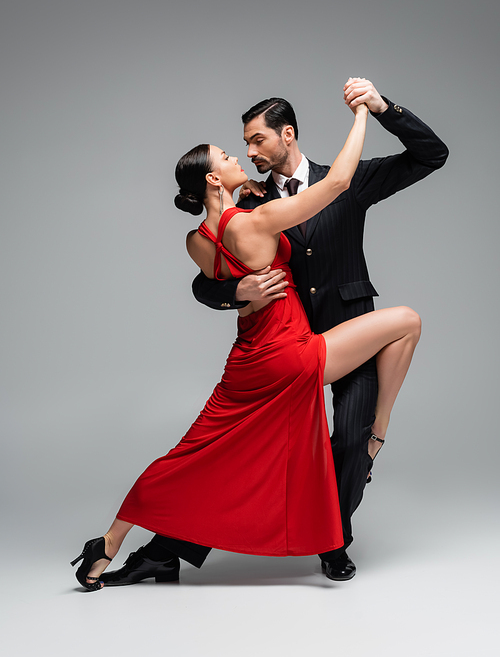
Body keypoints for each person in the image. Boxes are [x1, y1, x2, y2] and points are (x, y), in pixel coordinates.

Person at [71, 91, 421, 591]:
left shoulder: (197, 238)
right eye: (230, 156)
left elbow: (208, 272)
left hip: (247, 359)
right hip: (289, 349)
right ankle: (378, 432)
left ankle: (110, 544)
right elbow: (339, 181)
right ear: (215, 178)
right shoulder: (253, 218)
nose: (242, 157)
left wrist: (237, 284)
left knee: (196, 455)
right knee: (408, 319)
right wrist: (365, 111)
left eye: (247, 145)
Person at [190, 78, 449, 581]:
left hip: (352, 331)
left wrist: (381, 107)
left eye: (256, 140)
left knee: (352, 439)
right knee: (240, 452)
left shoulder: (347, 179)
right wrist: (234, 294)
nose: (248, 151)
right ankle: (167, 547)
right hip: (289, 347)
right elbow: (205, 280)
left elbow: (432, 154)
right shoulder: (247, 206)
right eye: (242, 144)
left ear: (287, 134)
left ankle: (334, 538)